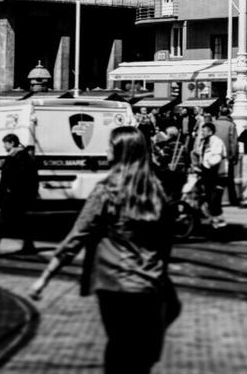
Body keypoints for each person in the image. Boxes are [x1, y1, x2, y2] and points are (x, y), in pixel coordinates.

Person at [29, 126, 180, 374]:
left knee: (119, 348)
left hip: (114, 286)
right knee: (140, 356)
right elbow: (165, 243)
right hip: (149, 285)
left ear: (120, 152)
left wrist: (45, 278)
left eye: (110, 146)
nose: (105, 151)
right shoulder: (157, 192)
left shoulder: (106, 190)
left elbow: (76, 236)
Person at [0, 134, 40, 257]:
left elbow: (17, 177)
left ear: (12, 143)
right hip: (16, 194)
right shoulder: (21, 156)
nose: (4, 146)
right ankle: (28, 246)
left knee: (2, 220)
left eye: (6, 143)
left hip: (14, 195)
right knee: (20, 220)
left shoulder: (18, 157)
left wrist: (8, 191)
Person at [196, 121, 226, 229]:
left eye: (204, 131)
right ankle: (215, 223)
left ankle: (220, 224)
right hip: (207, 174)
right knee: (208, 198)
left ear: (210, 131)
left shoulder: (216, 141)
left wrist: (206, 164)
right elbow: (199, 153)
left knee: (214, 199)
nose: (202, 133)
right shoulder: (204, 141)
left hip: (217, 174)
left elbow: (216, 157)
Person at [212, 107, 240, 207]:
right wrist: (234, 155)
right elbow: (234, 142)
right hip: (227, 155)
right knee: (229, 179)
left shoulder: (214, 123)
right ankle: (233, 199)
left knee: (215, 179)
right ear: (228, 114)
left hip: (215, 154)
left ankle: (215, 200)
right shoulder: (231, 125)